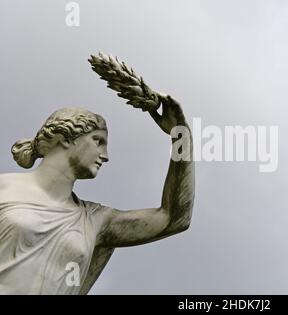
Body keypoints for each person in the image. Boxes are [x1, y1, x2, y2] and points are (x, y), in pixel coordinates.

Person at [0, 95, 195, 294]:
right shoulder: (4, 187)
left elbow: (174, 218)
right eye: (98, 141)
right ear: (65, 138)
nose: (106, 155)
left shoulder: (96, 220)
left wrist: (181, 135)